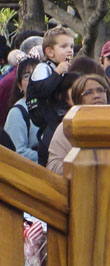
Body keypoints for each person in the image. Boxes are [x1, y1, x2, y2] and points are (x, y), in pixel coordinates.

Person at [24, 27, 75, 165]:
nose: (69, 50)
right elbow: (43, 90)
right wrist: (58, 72)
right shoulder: (43, 68)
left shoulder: (64, 69)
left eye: (71, 46)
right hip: (42, 114)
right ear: (50, 52)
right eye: (63, 46)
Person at [47, 73, 110, 175]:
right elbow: (53, 167)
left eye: (100, 90)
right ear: (78, 99)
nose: (96, 95)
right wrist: (86, 167)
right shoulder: (68, 126)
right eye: (88, 93)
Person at [3, 58, 40, 160]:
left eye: (36, 74)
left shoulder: (50, 105)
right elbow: (16, 152)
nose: (32, 80)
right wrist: (46, 157)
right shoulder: (17, 113)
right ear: (20, 85)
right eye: (27, 76)